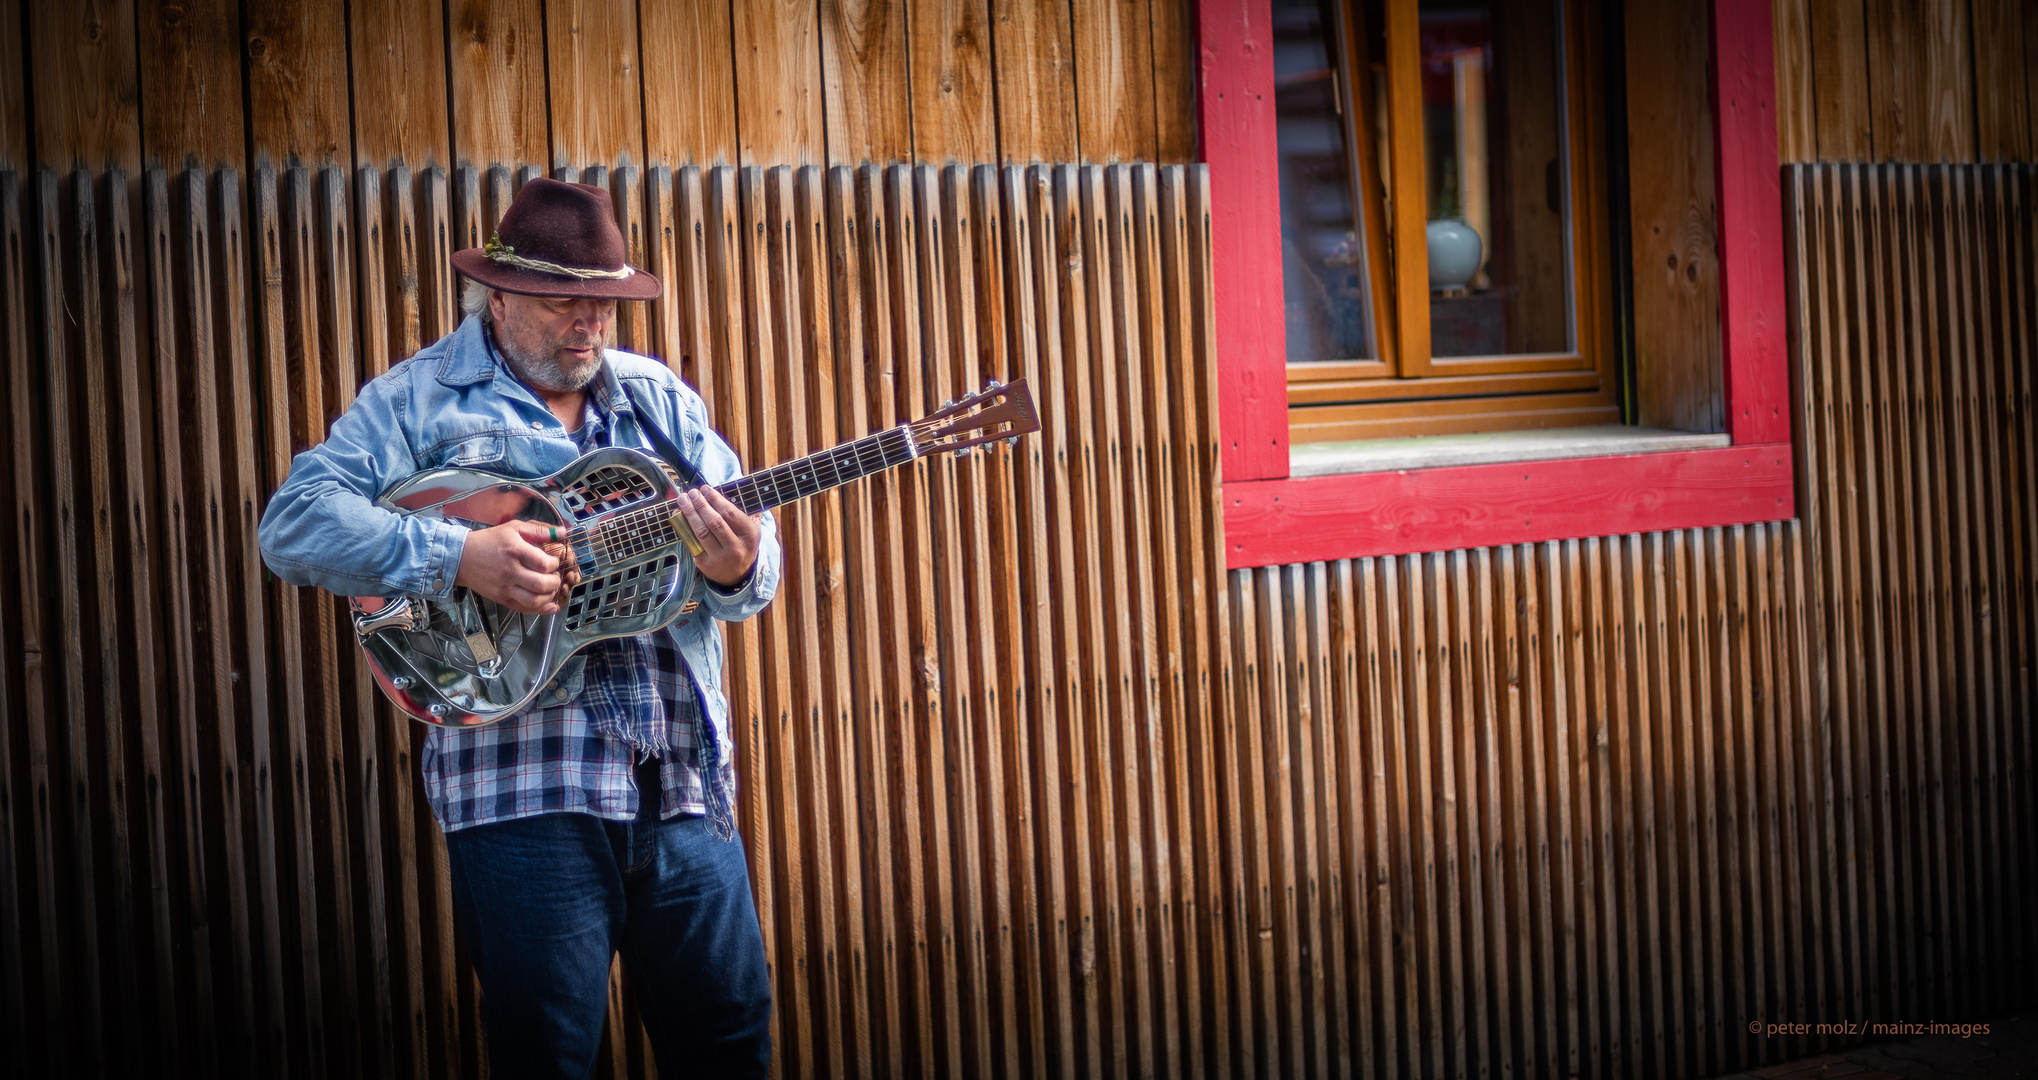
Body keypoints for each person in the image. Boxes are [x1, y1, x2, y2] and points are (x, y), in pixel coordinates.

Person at [258, 177, 781, 1078]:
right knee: (548, 1056)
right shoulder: (417, 401)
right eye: (563, 303)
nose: (589, 325)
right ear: (495, 298)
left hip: (684, 784)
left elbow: (753, 573)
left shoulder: (661, 401)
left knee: (730, 1042)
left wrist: (739, 566)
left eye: (604, 305)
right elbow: (294, 525)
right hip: (520, 792)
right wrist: (458, 558)